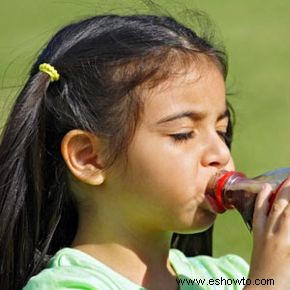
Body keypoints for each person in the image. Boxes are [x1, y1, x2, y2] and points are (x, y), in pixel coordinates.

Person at [0, 12, 290, 290]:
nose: (221, 154)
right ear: (89, 158)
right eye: (183, 134)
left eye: (221, 132)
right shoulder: (69, 285)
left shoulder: (225, 277)